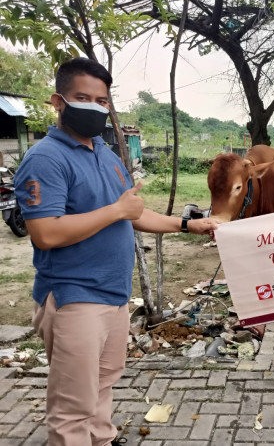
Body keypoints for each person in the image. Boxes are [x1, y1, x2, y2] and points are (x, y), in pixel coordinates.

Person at [14, 58, 218, 446]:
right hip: (75, 297)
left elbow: (135, 214)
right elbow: (46, 233)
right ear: (58, 101)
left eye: (101, 100)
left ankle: (102, 439)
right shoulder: (46, 158)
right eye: (82, 97)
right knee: (72, 407)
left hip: (112, 294)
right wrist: (116, 211)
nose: (94, 106)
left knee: (103, 384)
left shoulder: (104, 155)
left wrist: (190, 225)